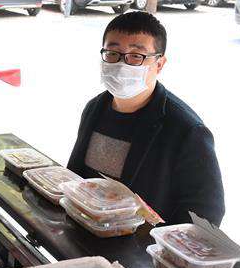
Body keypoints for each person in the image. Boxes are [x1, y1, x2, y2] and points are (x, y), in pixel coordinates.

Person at [67, 11, 225, 225]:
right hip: (85, 230)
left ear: (159, 64)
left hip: (140, 250)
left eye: (136, 56)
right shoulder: (95, 108)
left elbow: (206, 213)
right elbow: (76, 177)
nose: (122, 64)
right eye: (113, 53)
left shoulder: (186, 130)